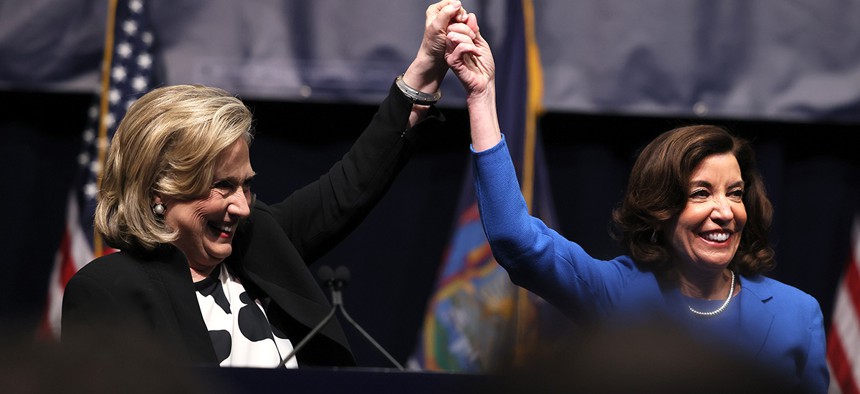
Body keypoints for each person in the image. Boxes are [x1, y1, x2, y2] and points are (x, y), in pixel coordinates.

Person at [61, 1, 476, 369]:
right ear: (159, 189)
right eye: (222, 186)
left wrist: (424, 69)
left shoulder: (257, 242)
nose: (241, 206)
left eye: (246, 185)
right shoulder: (107, 291)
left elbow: (350, 186)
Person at [445, 14, 828, 393]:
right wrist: (482, 97)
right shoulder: (614, 292)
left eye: (735, 193)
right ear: (660, 210)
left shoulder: (797, 315)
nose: (725, 212)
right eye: (701, 193)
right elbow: (515, 239)